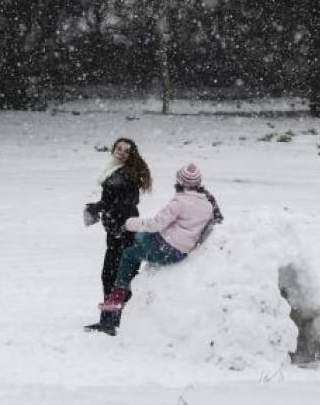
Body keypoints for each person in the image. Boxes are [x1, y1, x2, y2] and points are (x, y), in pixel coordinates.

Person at [96, 163, 220, 323]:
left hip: (165, 249)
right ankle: (127, 281)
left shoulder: (179, 202)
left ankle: (118, 295)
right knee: (137, 245)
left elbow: (155, 224)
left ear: (180, 182)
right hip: (180, 253)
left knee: (130, 250)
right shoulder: (207, 205)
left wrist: (129, 223)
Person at [84, 138, 152, 335]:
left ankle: (112, 320)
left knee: (113, 276)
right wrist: (100, 207)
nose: (121, 152)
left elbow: (124, 202)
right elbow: (115, 200)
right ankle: (115, 318)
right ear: (113, 149)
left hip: (122, 231)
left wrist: (101, 208)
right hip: (118, 230)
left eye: (126, 150)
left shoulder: (123, 174)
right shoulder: (115, 170)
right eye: (119, 148)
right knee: (117, 276)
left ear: (131, 155)